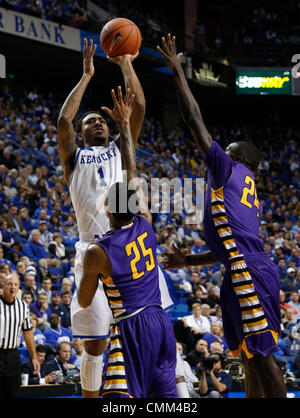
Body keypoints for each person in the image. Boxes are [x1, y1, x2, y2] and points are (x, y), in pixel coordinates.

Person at [158, 34, 286, 398]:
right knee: (247, 357)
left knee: (261, 355)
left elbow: (193, 119)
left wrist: (177, 71)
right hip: (240, 267)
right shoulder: (240, 193)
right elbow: (226, 249)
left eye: (228, 150)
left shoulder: (230, 170)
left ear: (240, 158)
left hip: (248, 269)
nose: (220, 153)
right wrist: (188, 260)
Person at [57, 38, 173, 398]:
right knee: (94, 346)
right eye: (89, 122)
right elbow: (63, 120)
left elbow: (137, 106)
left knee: (154, 328)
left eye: (100, 121)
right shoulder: (74, 159)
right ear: (82, 132)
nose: (97, 124)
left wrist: (125, 63)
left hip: (129, 244)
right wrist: (87, 76)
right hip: (94, 251)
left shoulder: (121, 151)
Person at [77, 87, 177, 398]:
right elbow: (132, 173)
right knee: (165, 397)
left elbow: (83, 301)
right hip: (161, 320)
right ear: (136, 205)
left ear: (106, 209)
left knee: (118, 399)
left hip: (132, 325)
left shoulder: (98, 251)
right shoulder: (146, 225)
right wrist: (124, 127)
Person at [0, 273, 40, 398]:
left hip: (13, 354)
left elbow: (27, 333)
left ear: (18, 288)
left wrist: (34, 356)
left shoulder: (22, 306)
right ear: (3, 286)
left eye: (15, 285)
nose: (12, 287)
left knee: (13, 392)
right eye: (9, 284)